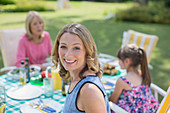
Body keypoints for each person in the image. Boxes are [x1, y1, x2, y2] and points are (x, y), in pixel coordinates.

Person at [51, 23, 110, 113]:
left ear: (87, 51)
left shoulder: (89, 90)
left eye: (76, 48)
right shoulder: (76, 78)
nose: (68, 55)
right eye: (63, 46)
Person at [109, 44, 159, 113]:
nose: (118, 62)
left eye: (119, 59)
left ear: (127, 61)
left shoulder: (122, 81)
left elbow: (112, 101)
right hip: (149, 110)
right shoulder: (142, 73)